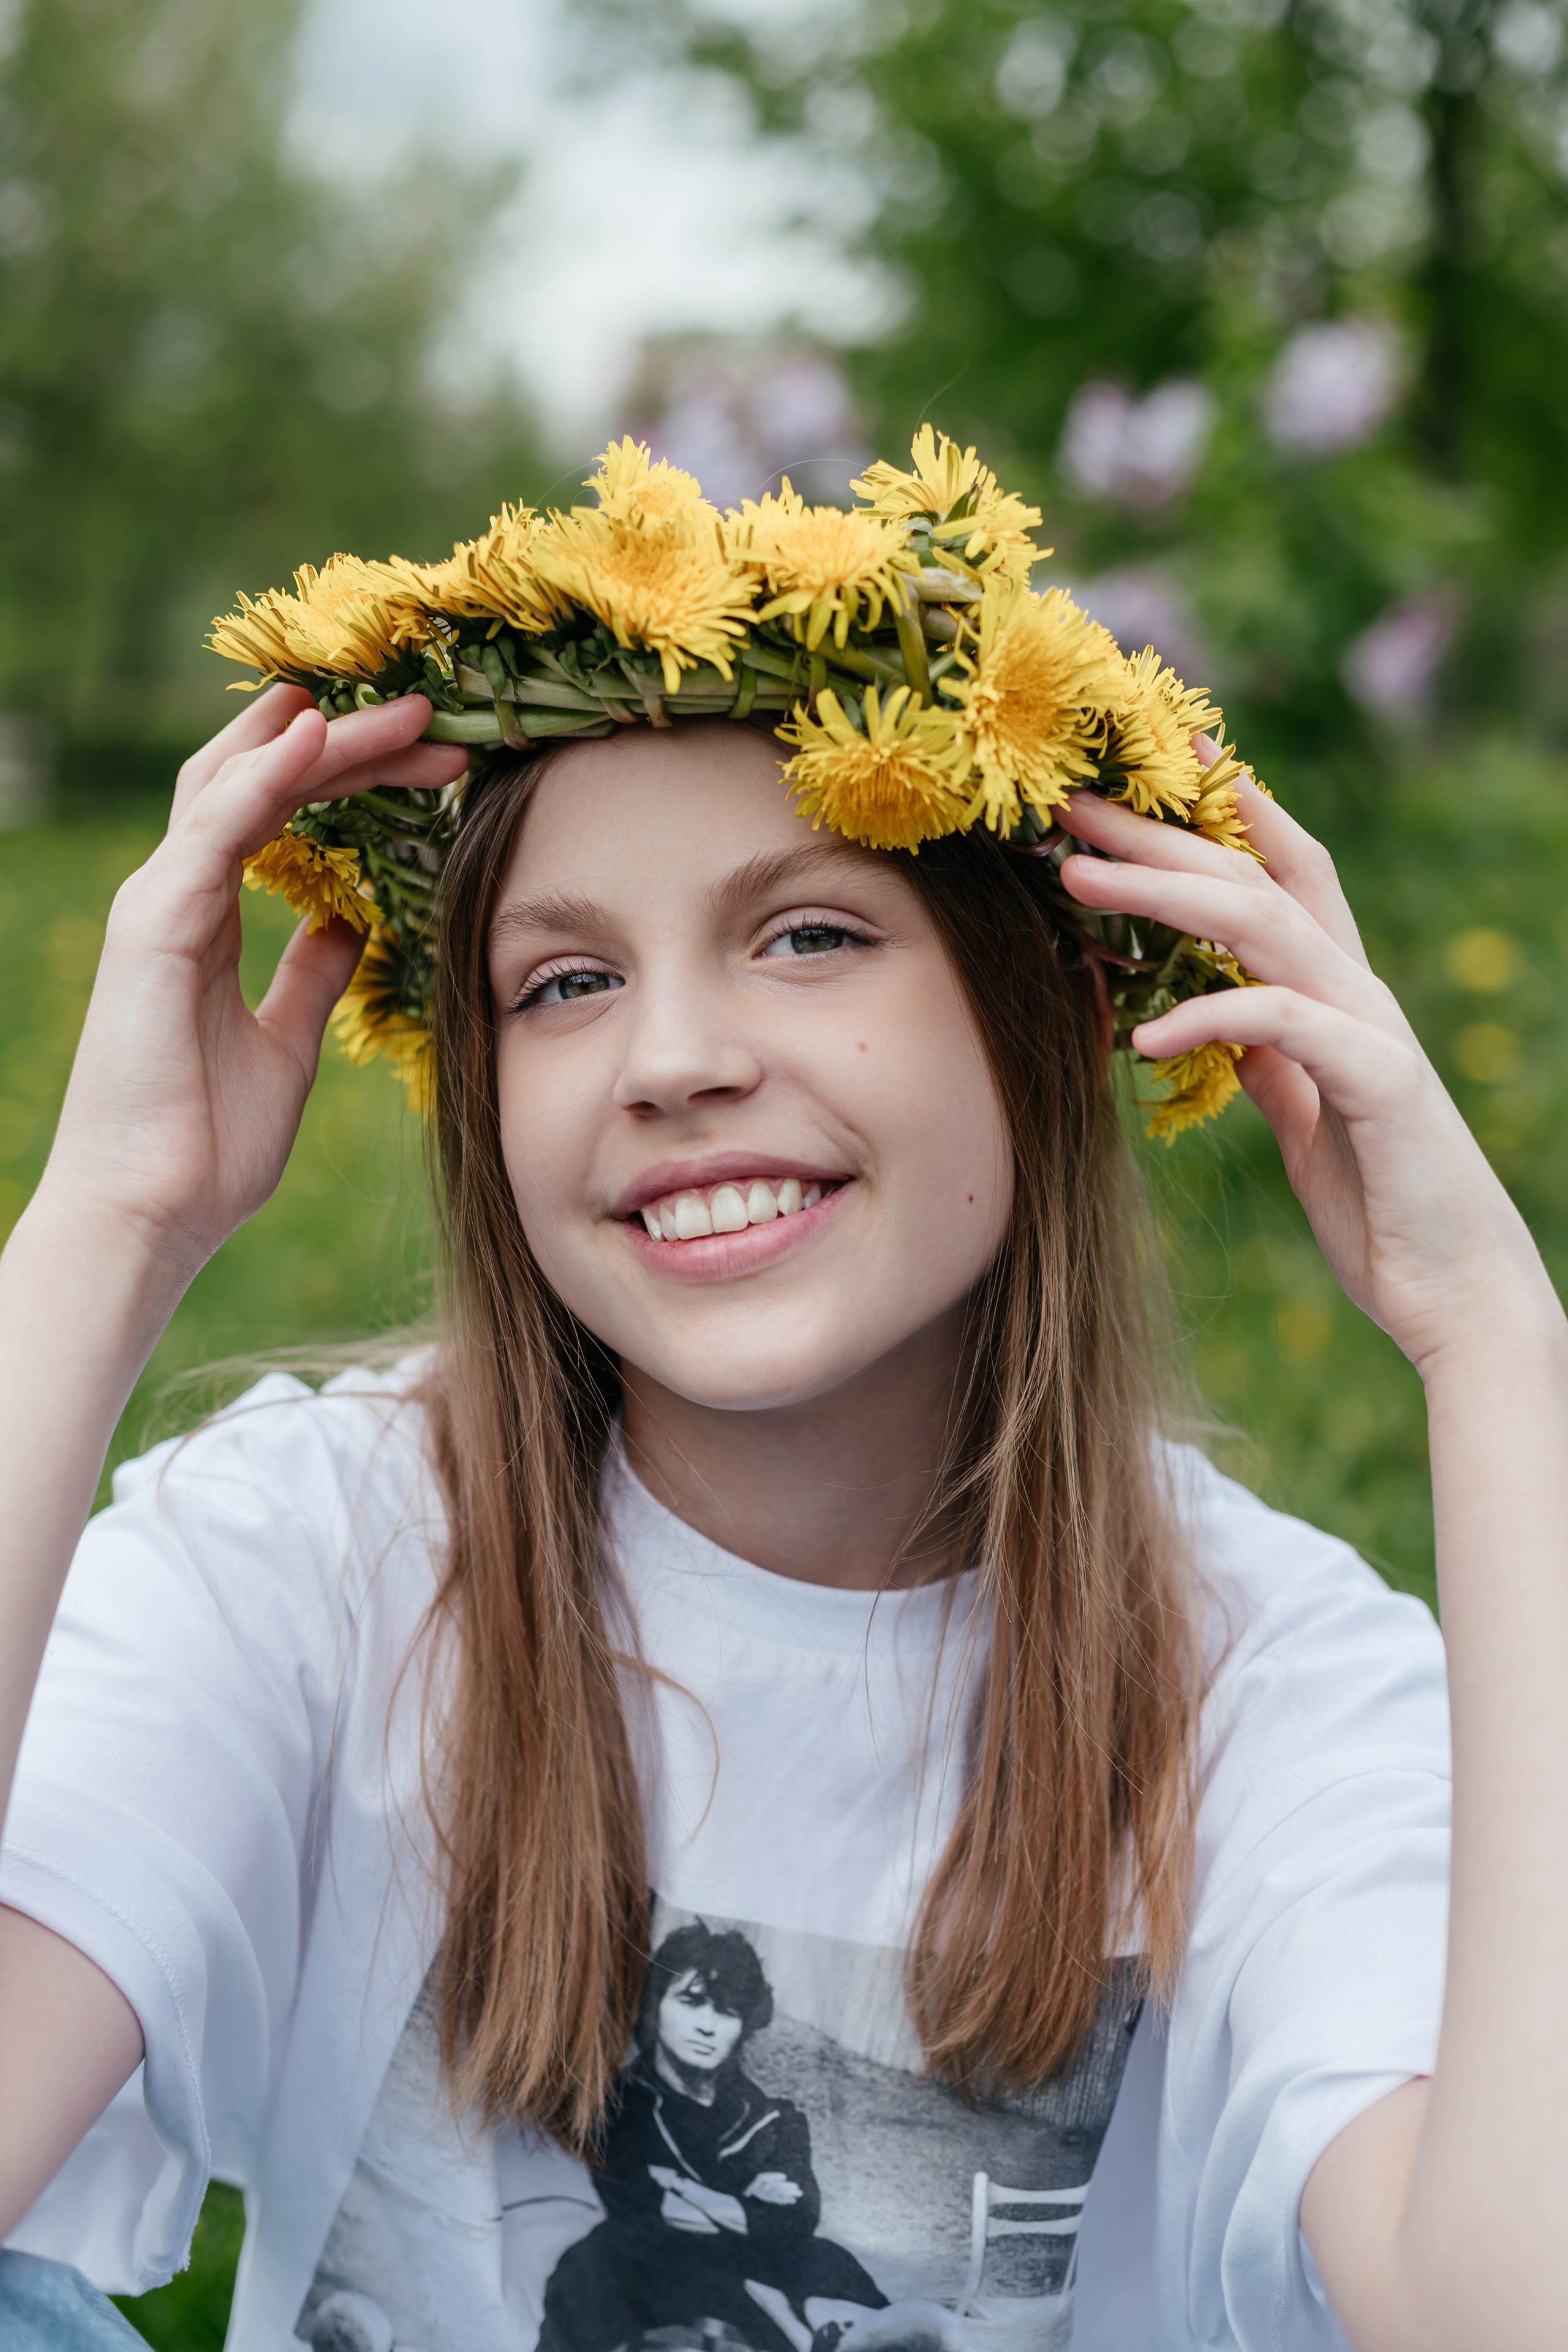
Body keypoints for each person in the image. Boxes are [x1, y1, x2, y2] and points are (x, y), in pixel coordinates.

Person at [0, 609, 1562, 2352]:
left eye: (810, 934)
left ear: (1041, 1005)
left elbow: (1498, 2311)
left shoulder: (1265, 1680)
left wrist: (1497, 1355)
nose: (673, 1061)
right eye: (566, 982)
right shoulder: (318, 1547)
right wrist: (108, 1230)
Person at [539, 1922, 888, 2352]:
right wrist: (748, 2203)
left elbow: (795, 2220)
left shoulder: (774, 2118)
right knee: (588, 2268)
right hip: (654, 2266)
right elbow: (644, 2210)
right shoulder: (620, 2106)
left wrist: (688, 2192)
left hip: (761, 2263)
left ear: (744, 2026)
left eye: (726, 2012)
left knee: (831, 2263)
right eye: (691, 2002)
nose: (707, 2026)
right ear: (655, 2006)